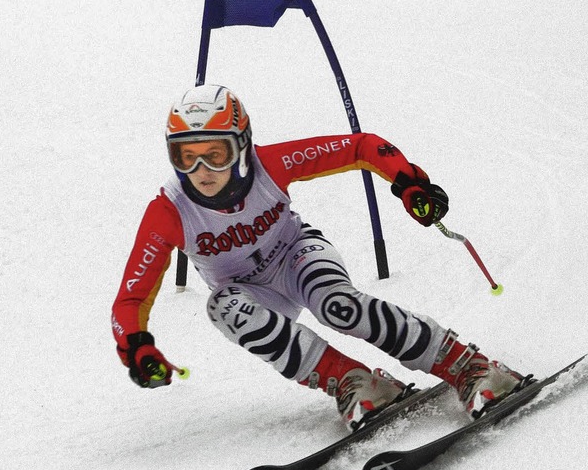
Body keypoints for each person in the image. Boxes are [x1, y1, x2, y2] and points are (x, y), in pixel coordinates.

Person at [111, 84, 528, 431]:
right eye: (186, 155)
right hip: (250, 293)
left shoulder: (269, 165)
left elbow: (361, 146)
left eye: (215, 153)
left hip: (295, 254)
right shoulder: (168, 211)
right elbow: (129, 300)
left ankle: (470, 367)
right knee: (223, 307)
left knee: (338, 307)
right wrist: (137, 346)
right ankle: (354, 382)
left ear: (241, 145)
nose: (201, 169)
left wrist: (409, 182)